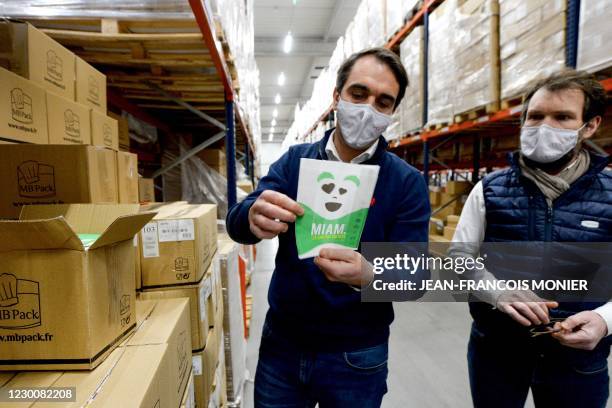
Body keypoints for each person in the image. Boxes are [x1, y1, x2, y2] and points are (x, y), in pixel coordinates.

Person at [226, 47, 430, 407]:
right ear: (337, 97)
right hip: (283, 347)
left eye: (383, 102)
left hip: (357, 353)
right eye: (358, 93)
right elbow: (237, 222)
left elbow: (415, 273)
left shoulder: (406, 182)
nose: (368, 108)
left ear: (392, 113)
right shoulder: (295, 162)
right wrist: (252, 217)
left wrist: (371, 273)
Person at [452, 70, 611, 407]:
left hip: (578, 357)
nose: (545, 127)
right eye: (536, 116)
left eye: (562, 117)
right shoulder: (489, 191)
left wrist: (604, 320)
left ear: (590, 125)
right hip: (497, 352)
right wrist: (496, 293)